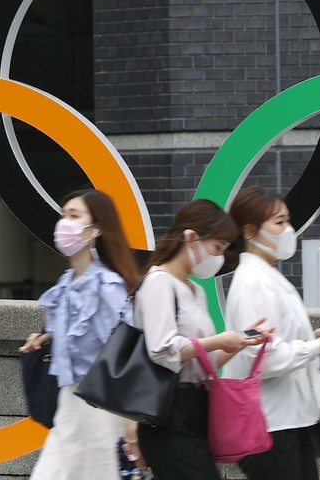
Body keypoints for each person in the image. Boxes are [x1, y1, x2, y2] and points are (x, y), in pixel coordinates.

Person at [223, 186, 320, 480]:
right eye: (279, 222)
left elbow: (269, 347)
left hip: (286, 422)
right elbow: (263, 359)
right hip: (270, 426)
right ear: (249, 231)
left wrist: (313, 341)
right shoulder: (255, 283)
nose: (288, 230)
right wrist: (319, 345)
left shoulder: (265, 277)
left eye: (287, 220)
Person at [129, 199, 272, 480]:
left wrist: (239, 342)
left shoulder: (196, 291)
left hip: (196, 408)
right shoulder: (159, 282)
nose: (218, 257)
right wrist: (219, 341)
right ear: (191, 237)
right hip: (168, 411)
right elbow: (162, 349)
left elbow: (205, 360)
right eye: (217, 247)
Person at [20, 189, 141, 480]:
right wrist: (46, 337)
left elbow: (124, 351)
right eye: (64, 215)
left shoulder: (107, 286)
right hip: (69, 402)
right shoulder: (66, 283)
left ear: (95, 229)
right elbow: (79, 332)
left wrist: (130, 424)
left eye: (74, 216)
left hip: (100, 410)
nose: (64, 223)